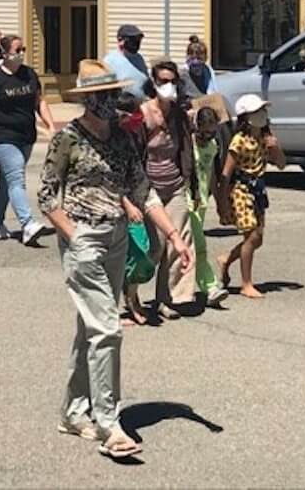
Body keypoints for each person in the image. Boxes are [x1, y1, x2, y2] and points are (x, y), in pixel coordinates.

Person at [38, 58, 194, 459]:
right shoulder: (67, 138)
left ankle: (74, 413)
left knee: (89, 326)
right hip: (83, 237)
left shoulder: (122, 140)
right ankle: (109, 423)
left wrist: (175, 236)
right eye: (100, 96)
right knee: (108, 328)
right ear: (86, 101)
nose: (109, 102)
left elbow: (143, 191)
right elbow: (47, 196)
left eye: (112, 94)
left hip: (117, 237)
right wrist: (73, 236)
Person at [0, 34, 55, 245]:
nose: (21, 54)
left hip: (26, 136)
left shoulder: (29, 74)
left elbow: (39, 101)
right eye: (17, 50)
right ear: (4, 54)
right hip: (1, 136)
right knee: (16, 176)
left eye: (23, 50)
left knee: (7, 179)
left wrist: (50, 125)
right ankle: (27, 223)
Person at [133, 60, 196, 320]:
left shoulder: (179, 115)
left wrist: (189, 179)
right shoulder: (143, 114)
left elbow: (186, 149)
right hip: (150, 190)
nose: (168, 86)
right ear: (153, 83)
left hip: (175, 185)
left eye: (172, 81)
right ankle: (131, 291)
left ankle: (166, 298)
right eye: (162, 81)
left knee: (179, 242)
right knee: (156, 247)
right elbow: (134, 154)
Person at [216, 94, 285, 300]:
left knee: (258, 239)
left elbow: (281, 164)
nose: (262, 115)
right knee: (251, 236)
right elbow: (226, 172)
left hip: (258, 190)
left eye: (263, 111)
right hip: (241, 189)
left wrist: (275, 148)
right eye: (256, 112)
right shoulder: (239, 141)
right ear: (245, 117)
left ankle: (226, 259)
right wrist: (222, 202)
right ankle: (246, 283)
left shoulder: (265, 138)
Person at [190, 107, 228, 306]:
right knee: (199, 246)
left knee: (190, 247)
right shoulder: (188, 145)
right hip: (188, 200)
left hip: (202, 202)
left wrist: (220, 203)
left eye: (212, 132)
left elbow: (212, 174)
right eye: (204, 132)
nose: (207, 136)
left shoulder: (212, 146)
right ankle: (210, 287)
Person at [102, 24, 150, 101]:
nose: (136, 43)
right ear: (120, 40)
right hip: (122, 109)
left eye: (138, 39)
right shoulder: (110, 61)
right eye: (132, 40)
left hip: (141, 106)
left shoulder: (139, 58)